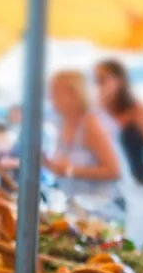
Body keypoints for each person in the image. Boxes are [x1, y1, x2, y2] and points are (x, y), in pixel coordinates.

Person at [44, 70, 123, 214]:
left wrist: (70, 171)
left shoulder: (91, 125)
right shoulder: (61, 123)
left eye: (56, 92)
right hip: (74, 208)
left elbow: (114, 171)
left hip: (99, 211)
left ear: (75, 94)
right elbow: (61, 168)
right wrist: (49, 164)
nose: (51, 97)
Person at [94, 59, 143, 186]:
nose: (99, 86)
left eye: (102, 80)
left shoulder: (139, 112)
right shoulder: (97, 112)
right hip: (105, 185)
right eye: (96, 81)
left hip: (136, 183)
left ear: (120, 80)